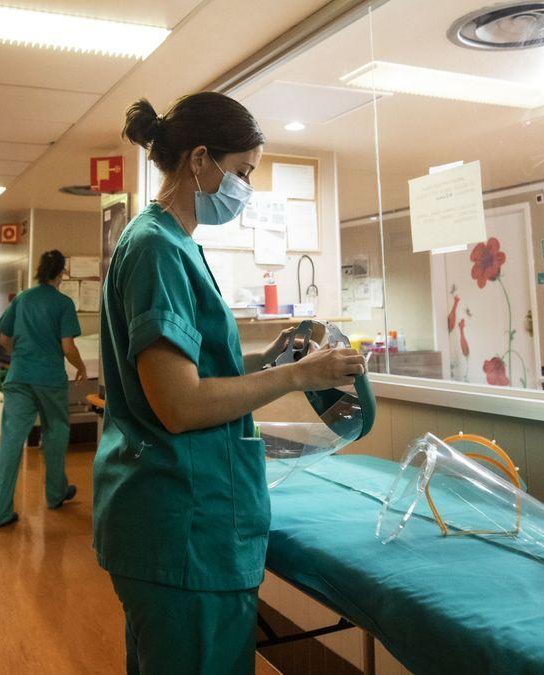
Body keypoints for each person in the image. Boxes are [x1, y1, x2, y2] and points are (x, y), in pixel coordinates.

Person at [94, 93, 366, 674]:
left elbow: (195, 367)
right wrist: (296, 375)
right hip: (183, 525)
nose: (245, 188)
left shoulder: (171, 243)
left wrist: (267, 358)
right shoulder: (156, 249)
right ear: (199, 161)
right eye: (242, 172)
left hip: (179, 517)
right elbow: (181, 403)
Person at [0, 249, 86, 528]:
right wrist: (81, 366)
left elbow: (5, 339)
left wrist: (23, 355)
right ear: (62, 273)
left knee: (10, 441)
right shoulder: (63, 304)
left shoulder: (22, 299)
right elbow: (68, 347)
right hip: (50, 380)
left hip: (19, 377)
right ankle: (55, 494)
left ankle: (0, 512)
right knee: (55, 433)